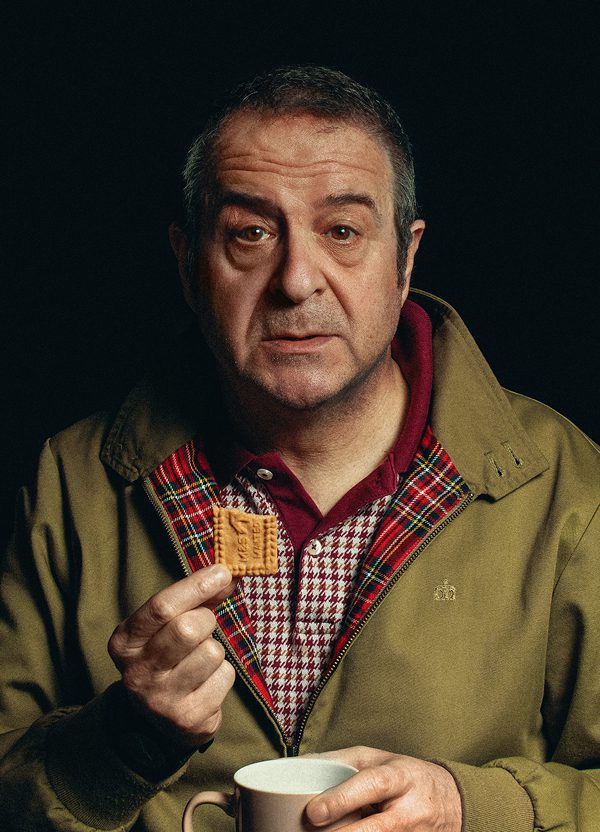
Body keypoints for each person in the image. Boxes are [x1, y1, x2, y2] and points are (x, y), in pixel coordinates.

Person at [0, 66, 598, 832]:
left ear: (405, 259)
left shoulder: (564, 489)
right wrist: (120, 743)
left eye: (342, 231)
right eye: (251, 233)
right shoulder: (72, 485)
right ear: (187, 263)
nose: (296, 280)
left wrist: (473, 807)